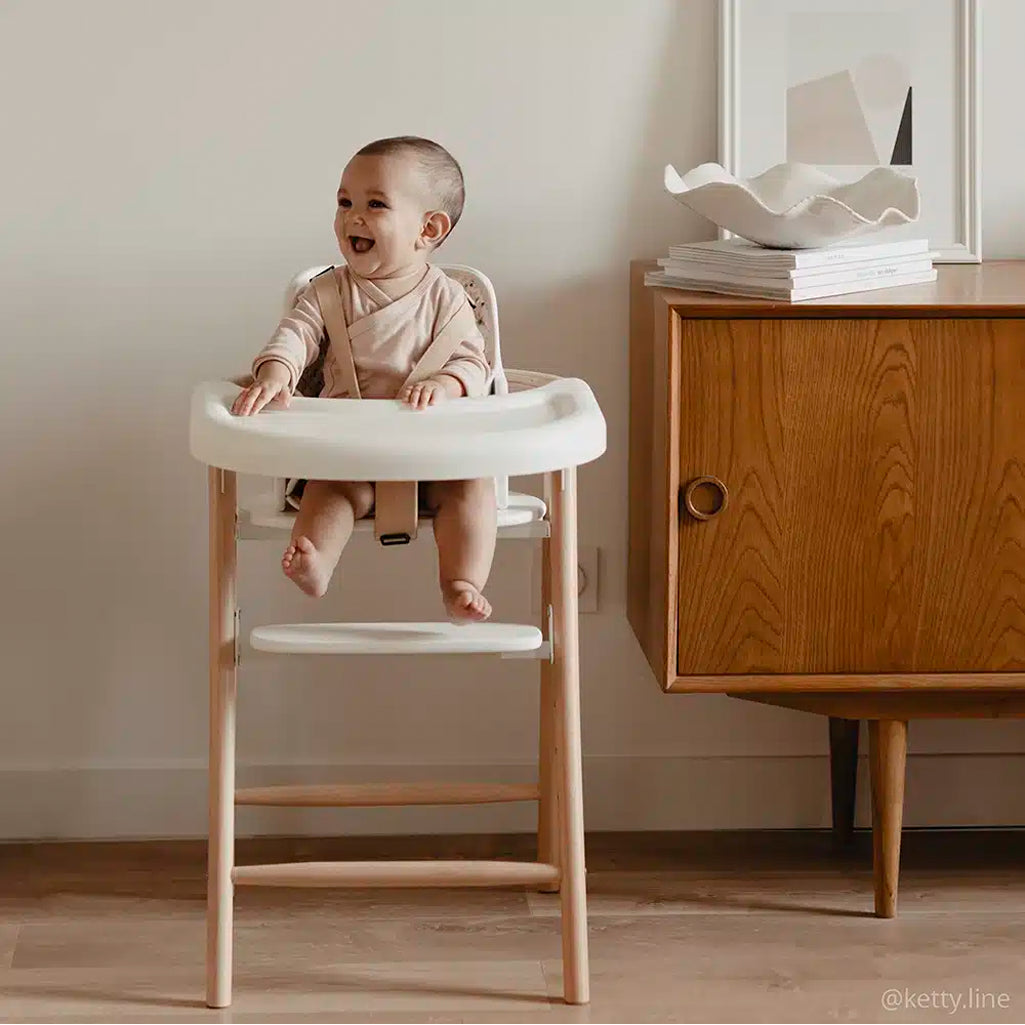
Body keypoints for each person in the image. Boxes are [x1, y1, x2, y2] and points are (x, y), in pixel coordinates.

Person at [231, 137, 496, 622]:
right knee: (327, 492)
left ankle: (461, 581)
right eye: (344, 202)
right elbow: (297, 334)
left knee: (471, 489)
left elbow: (474, 363)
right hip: (348, 452)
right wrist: (276, 371)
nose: (353, 216)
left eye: (375, 204)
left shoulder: (450, 298)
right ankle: (317, 561)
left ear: (429, 229)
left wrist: (446, 385)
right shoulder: (326, 293)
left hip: (434, 454)